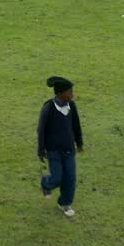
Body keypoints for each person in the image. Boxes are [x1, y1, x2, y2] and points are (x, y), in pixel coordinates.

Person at [38, 75, 84, 217]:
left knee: (70, 178)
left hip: (69, 150)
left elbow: (76, 125)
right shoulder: (48, 108)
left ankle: (64, 203)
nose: (72, 94)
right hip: (53, 151)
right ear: (59, 93)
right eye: (69, 92)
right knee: (57, 178)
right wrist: (41, 150)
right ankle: (46, 183)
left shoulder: (72, 106)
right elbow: (41, 130)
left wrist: (79, 143)